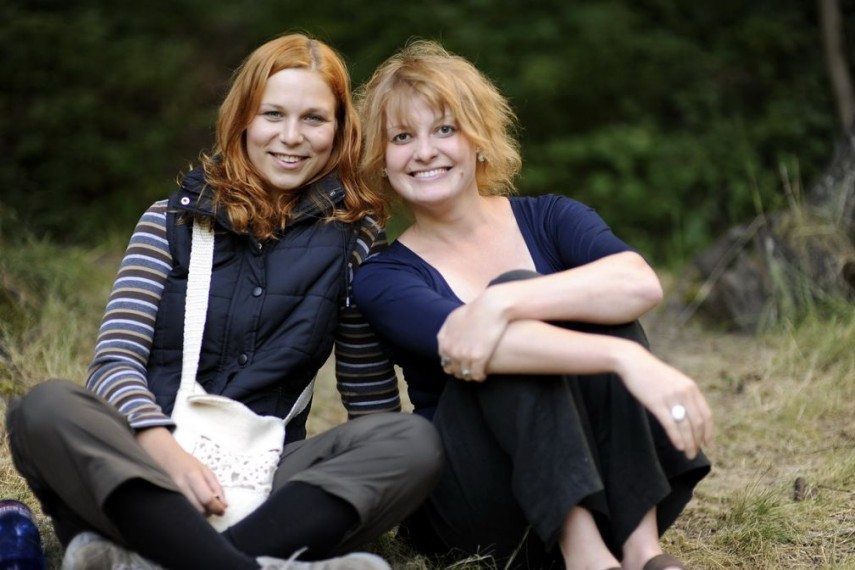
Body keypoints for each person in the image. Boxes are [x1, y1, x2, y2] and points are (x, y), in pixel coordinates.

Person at [5, 33, 443, 570]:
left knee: (411, 441)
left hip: (268, 473)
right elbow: (114, 363)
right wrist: (163, 448)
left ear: (338, 129)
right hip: (147, 468)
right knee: (44, 408)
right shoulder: (168, 222)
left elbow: (367, 395)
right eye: (272, 114)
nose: (291, 137)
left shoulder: (355, 237)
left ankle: (150, 559)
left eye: (313, 119)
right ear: (242, 119)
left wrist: (379, 470)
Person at [351, 40, 713, 570]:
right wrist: (625, 358)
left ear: (478, 140)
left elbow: (638, 282)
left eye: (444, 130)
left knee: (578, 296)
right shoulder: (384, 276)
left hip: (606, 477)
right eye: (401, 137)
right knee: (510, 332)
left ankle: (643, 552)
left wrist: (504, 301)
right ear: (382, 161)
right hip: (480, 503)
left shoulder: (551, 217)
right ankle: (587, 558)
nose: (424, 151)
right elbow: (464, 341)